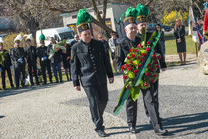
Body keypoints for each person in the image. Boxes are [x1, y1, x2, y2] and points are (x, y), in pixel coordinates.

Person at [118, 5, 168, 136]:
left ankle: (157, 127)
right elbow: (118, 62)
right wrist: (127, 70)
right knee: (131, 102)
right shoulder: (121, 43)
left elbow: (149, 55)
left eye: (135, 27)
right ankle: (131, 125)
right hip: (130, 78)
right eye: (131, 28)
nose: (133, 30)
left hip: (144, 76)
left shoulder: (142, 40)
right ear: (125, 30)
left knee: (150, 100)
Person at [71, 9, 114, 137]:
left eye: (89, 33)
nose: (88, 36)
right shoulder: (75, 48)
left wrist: (110, 75)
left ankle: (97, 116)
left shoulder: (99, 44)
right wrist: (76, 82)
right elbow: (74, 66)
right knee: (94, 102)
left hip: (100, 77)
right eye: (85, 34)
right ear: (80, 35)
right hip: (87, 80)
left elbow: (106, 61)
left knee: (104, 99)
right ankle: (99, 126)